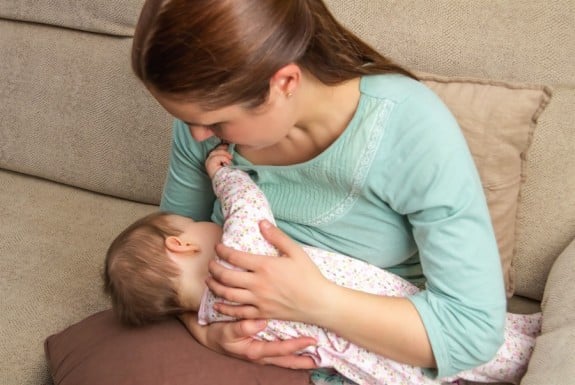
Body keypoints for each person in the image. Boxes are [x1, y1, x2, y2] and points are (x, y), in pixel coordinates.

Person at [130, 0, 509, 380]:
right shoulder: (202, 125)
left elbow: (471, 332)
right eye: (186, 119)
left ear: (285, 83)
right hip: (233, 338)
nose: (196, 135)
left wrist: (314, 301)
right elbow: (166, 246)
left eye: (214, 121)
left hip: (370, 352)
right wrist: (205, 329)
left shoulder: (407, 126)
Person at [104, 146, 540, 385]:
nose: (205, 222)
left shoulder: (215, 315)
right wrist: (223, 175)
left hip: (365, 367)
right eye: (194, 223)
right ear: (181, 245)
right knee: (486, 344)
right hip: (378, 308)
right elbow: (247, 204)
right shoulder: (238, 252)